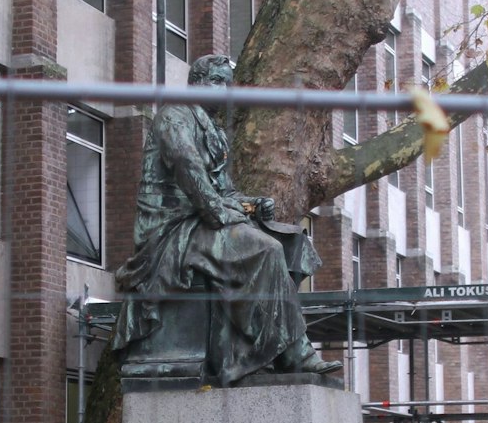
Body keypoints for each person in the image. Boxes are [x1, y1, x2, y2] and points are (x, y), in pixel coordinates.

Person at [112, 55, 339, 383]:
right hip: (171, 230)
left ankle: (267, 350)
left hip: (201, 220)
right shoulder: (174, 116)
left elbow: (224, 190)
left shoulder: (213, 131)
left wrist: (252, 205)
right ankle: (293, 354)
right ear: (196, 83)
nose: (225, 90)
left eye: (229, 84)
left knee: (291, 242)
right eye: (217, 81)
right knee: (266, 249)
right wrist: (221, 214)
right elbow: (187, 167)